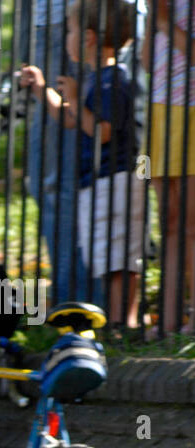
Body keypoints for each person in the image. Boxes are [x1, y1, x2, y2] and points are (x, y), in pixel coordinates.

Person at [20, 0, 145, 333]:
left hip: (116, 180)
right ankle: (113, 322)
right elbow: (72, 121)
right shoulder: (95, 79)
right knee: (106, 256)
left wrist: (74, 96)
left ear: (88, 37)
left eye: (71, 31)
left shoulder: (112, 81)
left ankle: (123, 323)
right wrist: (42, 89)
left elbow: (101, 131)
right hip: (98, 181)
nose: (67, 37)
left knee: (119, 257)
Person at [144, 0, 195, 334]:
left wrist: (162, 19)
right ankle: (171, 316)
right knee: (171, 224)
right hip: (160, 112)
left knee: (193, 224)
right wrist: (153, 14)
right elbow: (147, 62)